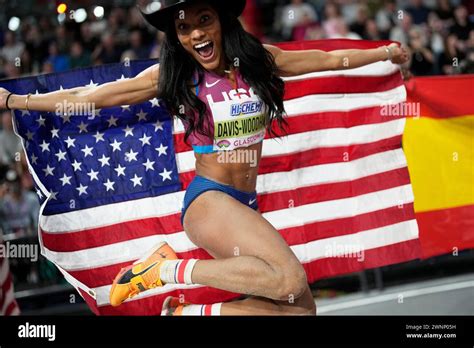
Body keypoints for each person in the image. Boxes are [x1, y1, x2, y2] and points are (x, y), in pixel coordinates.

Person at [0, 0, 408, 315]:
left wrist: (386, 53)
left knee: (300, 308)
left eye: (203, 20)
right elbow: (90, 98)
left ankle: (186, 311)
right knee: (289, 278)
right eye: (183, 28)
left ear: (222, 21)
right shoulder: (178, 78)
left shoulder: (258, 62)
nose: (195, 34)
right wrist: (18, 100)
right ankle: (162, 272)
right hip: (209, 202)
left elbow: (329, 60)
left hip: (245, 205)